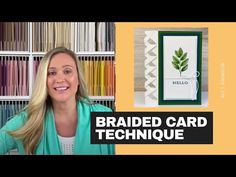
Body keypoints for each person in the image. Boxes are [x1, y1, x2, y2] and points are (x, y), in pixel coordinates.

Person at [0, 47, 115, 155]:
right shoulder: (26, 121)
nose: (59, 79)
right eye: (52, 73)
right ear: (44, 81)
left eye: (67, 71)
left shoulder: (105, 115)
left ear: (78, 79)